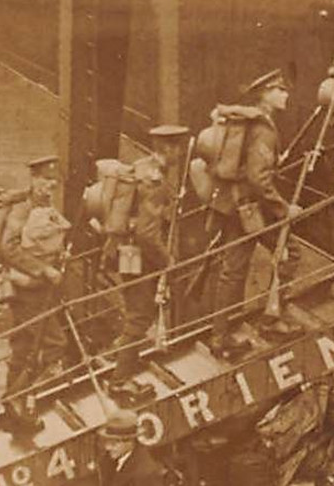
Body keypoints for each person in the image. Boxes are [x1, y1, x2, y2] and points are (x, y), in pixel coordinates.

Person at [204, 69, 297, 359]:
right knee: (290, 252)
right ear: (265, 95)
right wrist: (284, 209)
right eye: (279, 90)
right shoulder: (264, 129)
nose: (286, 95)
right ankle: (270, 320)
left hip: (233, 205)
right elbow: (259, 179)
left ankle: (220, 336)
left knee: (232, 271)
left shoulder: (248, 122)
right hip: (251, 209)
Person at [105, 124, 192, 399]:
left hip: (125, 251)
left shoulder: (141, 167)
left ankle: (124, 358)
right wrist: (168, 260)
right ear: (168, 148)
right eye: (177, 146)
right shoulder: (154, 181)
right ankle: (120, 381)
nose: (179, 152)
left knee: (134, 309)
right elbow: (147, 233)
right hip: (138, 254)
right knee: (140, 315)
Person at [0, 155, 70, 433]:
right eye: (44, 180)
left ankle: (15, 419)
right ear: (33, 179)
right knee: (56, 344)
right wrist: (43, 270)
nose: (49, 186)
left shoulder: (45, 206)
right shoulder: (22, 208)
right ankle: (18, 396)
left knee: (21, 349)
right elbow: (9, 248)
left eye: (53, 181)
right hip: (28, 290)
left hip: (37, 289)